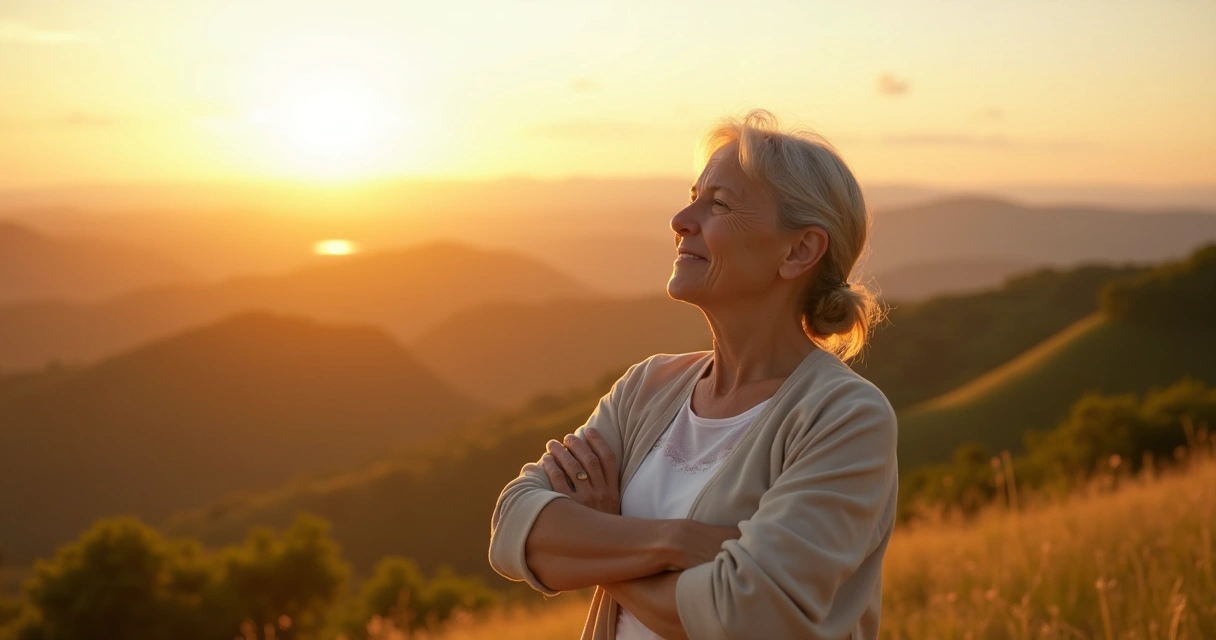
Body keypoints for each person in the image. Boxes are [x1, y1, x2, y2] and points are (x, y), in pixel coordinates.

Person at [488, 108, 897, 640]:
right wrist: (675, 542)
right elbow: (515, 529)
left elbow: (743, 615)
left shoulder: (844, 418)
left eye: (719, 204)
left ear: (798, 250)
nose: (682, 219)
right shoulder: (646, 388)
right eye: (693, 194)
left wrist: (605, 542)